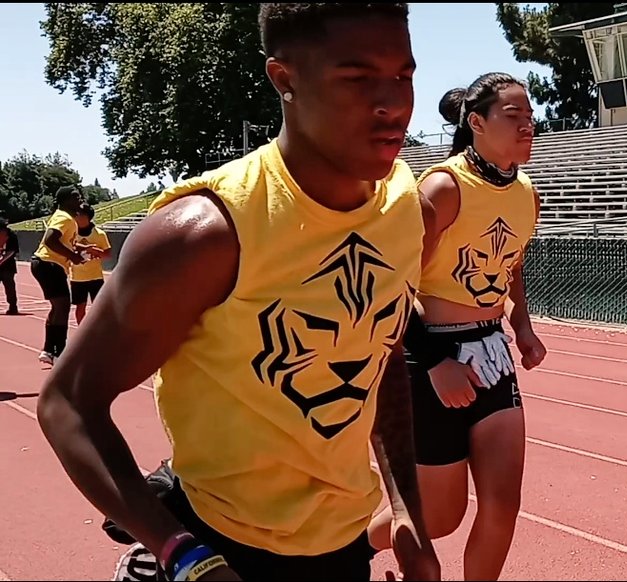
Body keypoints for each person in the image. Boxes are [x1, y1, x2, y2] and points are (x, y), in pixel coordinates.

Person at [36, 4, 439, 581]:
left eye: (404, 76)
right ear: (285, 79)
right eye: (357, 78)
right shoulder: (204, 233)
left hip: (343, 547)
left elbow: (381, 354)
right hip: (219, 547)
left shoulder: (405, 206)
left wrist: (407, 514)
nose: (393, 103)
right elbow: (66, 402)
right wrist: (184, 556)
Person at [368, 72, 548, 581]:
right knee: (441, 517)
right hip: (428, 357)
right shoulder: (443, 188)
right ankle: (348, 548)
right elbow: (394, 285)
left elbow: (510, 265)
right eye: (514, 118)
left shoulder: (527, 193)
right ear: (476, 123)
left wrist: (523, 323)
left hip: (492, 355)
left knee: (502, 504)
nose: (528, 127)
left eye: (530, 118)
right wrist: (432, 361)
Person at [29, 185, 92, 365]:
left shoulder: (63, 218)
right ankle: (59, 352)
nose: (79, 198)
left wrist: (81, 249)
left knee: (58, 307)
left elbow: (63, 241)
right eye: (74, 196)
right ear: (64, 200)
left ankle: (49, 350)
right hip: (50, 264)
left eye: (79, 195)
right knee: (62, 307)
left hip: (43, 264)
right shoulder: (65, 218)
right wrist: (72, 256)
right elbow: (50, 239)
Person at [69, 204, 112, 324]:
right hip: (77, 278)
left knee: (98, 308)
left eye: (79, 214)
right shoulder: (71, 233)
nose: (76, 217)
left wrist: (98, 252)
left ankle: (99, 332)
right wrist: (85, 249)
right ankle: (81, 332)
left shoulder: (99, 234)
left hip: (95, 277)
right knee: (80, 307)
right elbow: (68, 248)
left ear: (88, 217)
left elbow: (107, 254)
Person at [0, 218, 20, 315]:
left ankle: (13, 307)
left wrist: (1, 260)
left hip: (8, 266)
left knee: (10, 287)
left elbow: (12, 251)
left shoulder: (12, 236)